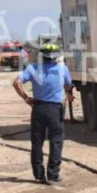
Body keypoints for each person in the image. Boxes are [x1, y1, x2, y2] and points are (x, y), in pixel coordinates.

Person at [13, 44, 74, 185]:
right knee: (56, 141)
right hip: (55, 109)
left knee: (37, 142)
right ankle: (53, 174)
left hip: (38, 108)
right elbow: (68, 86)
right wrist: (68, 94)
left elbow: (16, 82)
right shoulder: (62, 69)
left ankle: (39, 175)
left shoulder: (33, 68)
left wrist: (26, 98)